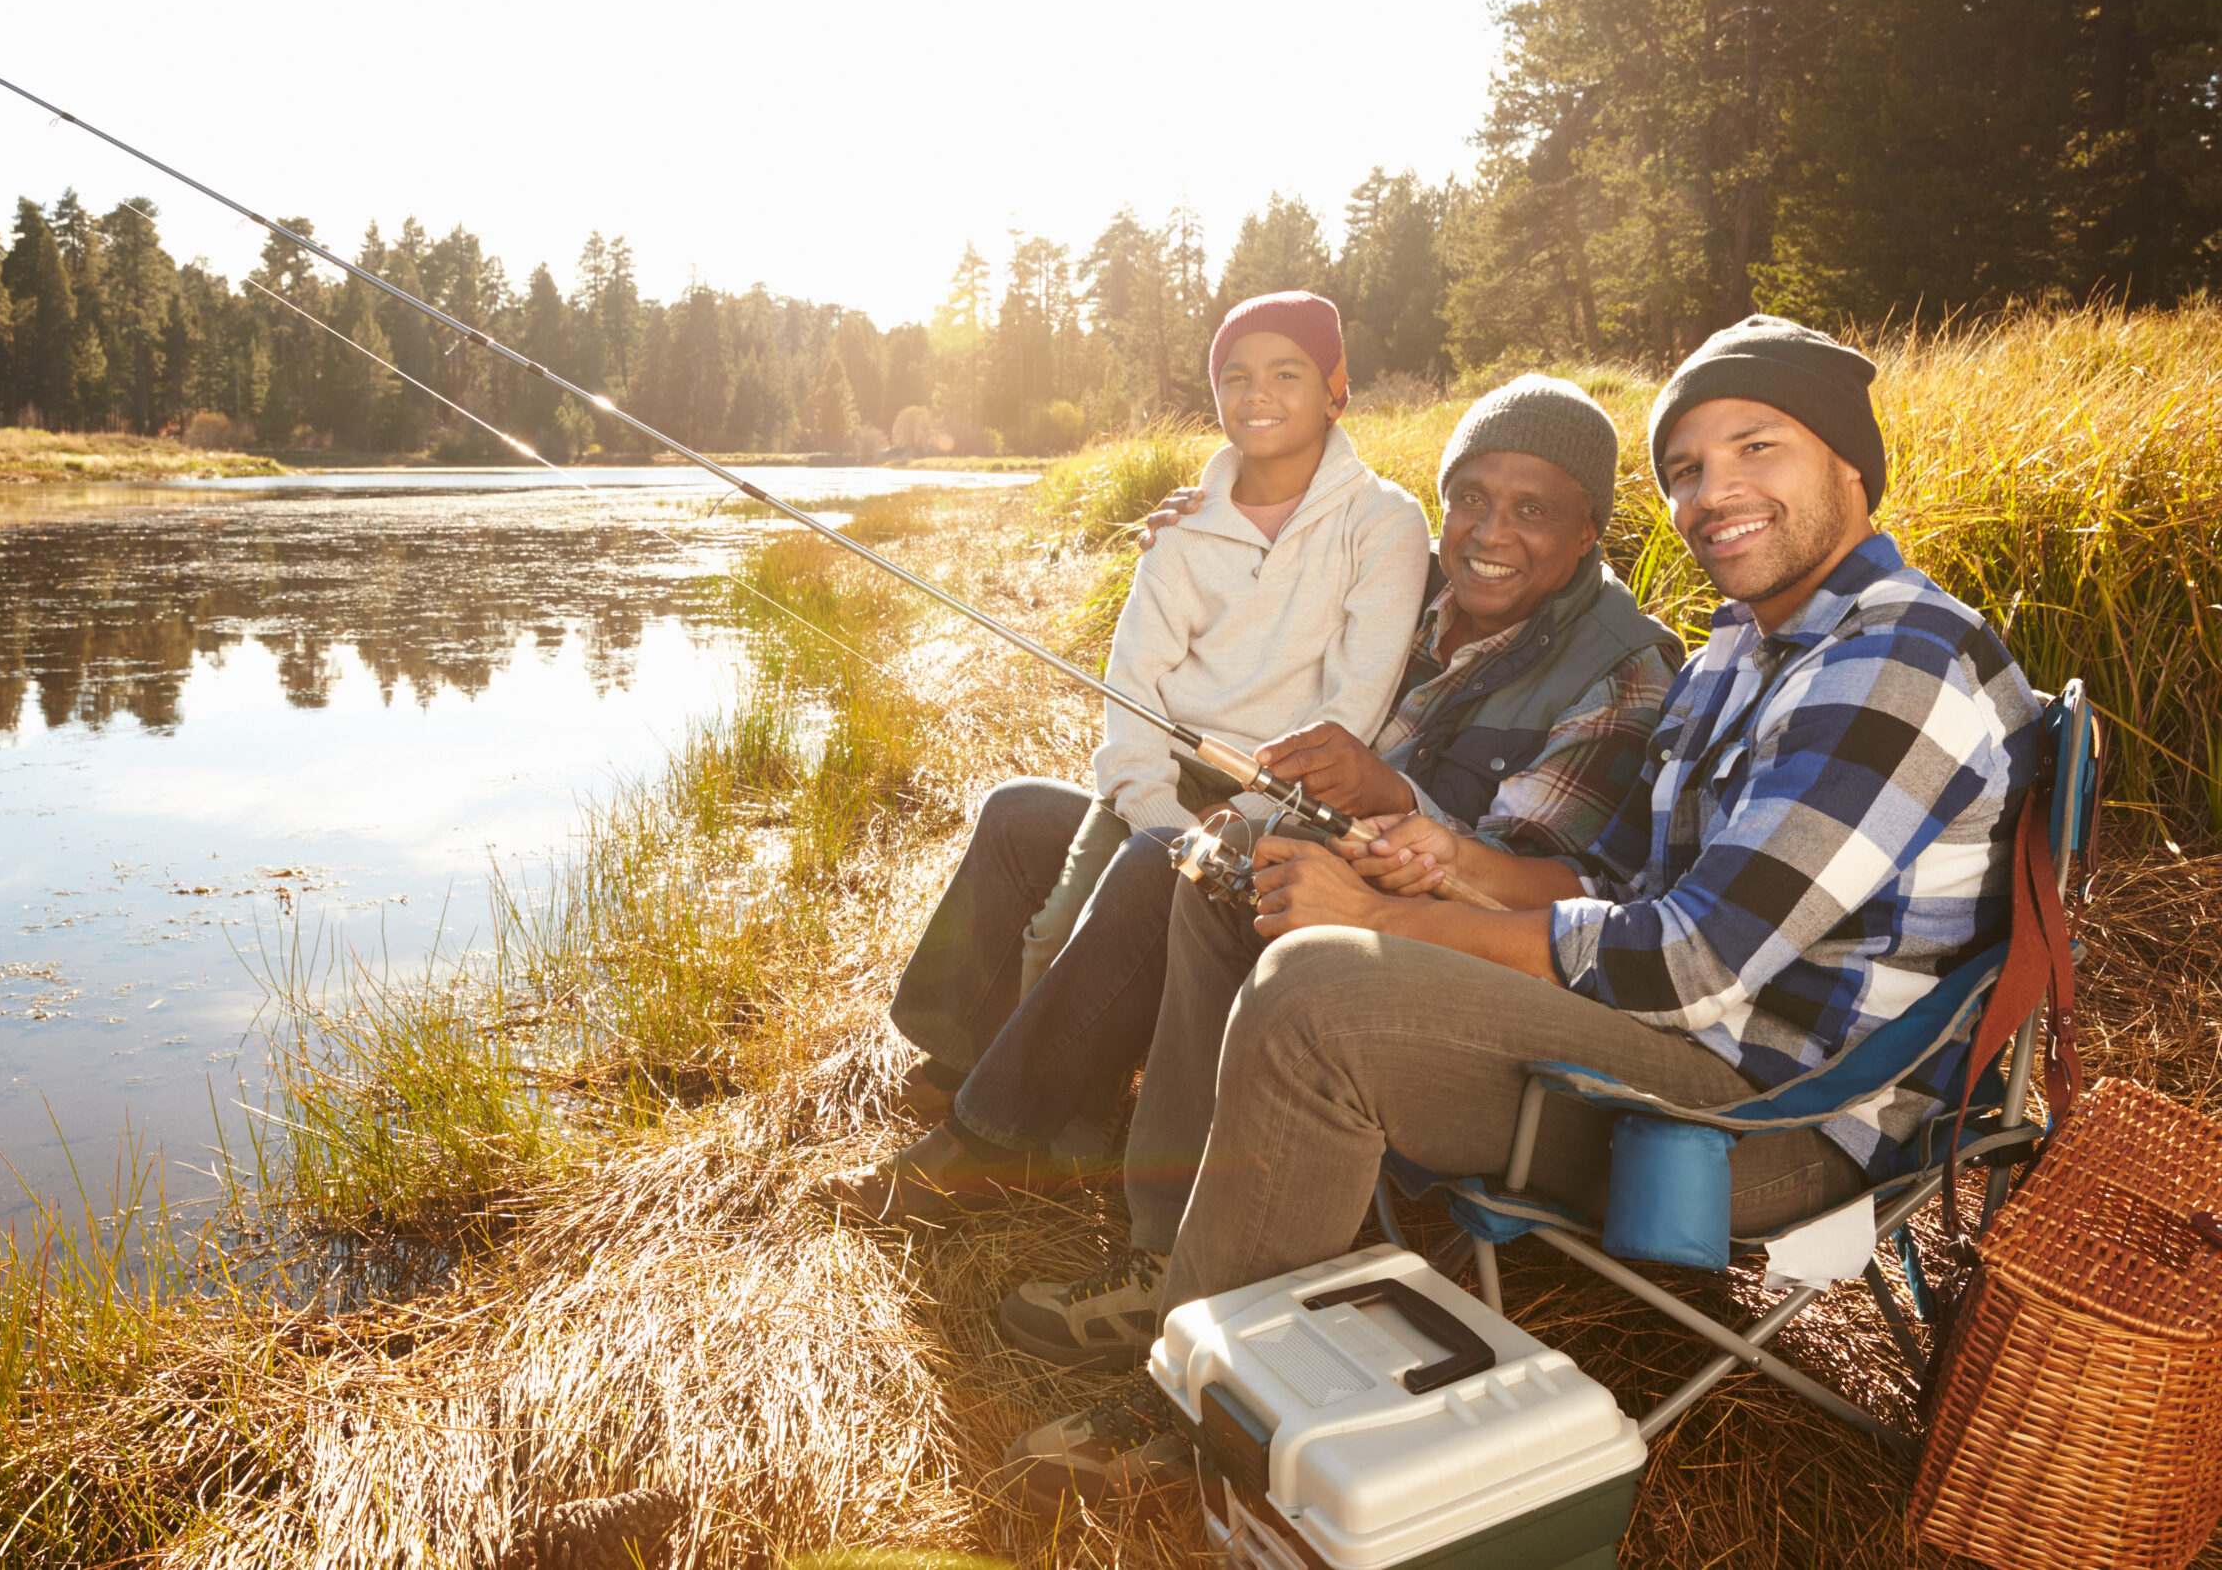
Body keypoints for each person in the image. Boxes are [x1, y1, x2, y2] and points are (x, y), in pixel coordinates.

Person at [994, 314, 2044, 1511]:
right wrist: (1445, 859)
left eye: (1758, 448)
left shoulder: (1892, 662)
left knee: (1316, 995)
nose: (1715, 494)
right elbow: (1620, 884)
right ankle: (1197, 1269)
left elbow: (1687, 962)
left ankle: (1199, 1425)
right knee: (1254, 886)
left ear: (1850, 465)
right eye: (1688, 468)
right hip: (1678, 1040)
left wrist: (1388, 922)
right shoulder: (1742, 652)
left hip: (1773, 1115)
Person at [989, 375, 1681, 1368]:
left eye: (1533, 510)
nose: (1490, 531)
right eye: (1470, 498)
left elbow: (1521, 888)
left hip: (1457, 956)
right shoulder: (1405, 575)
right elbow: (1256, 593)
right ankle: (977, 1090)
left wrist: (1388, 796)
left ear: (1587, 534)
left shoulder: (1622, 672)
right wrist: (1197, 531)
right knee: (1025, 816)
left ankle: (1155, 1246)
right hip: (1293, 836)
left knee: (1196, 863)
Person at [820, 291, 1432, 1219]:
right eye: (1236, 376)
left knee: (1105, 901)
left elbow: (1351, 716)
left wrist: (1233, 821)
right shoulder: (1183, 526)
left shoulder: (1383, 522)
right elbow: (1133, 691)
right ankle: (963, 1062)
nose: (1258, 394)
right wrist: (1159, 811)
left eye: (1288, 373)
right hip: (1166, 785)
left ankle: (983, 1148)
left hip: (1282, 808)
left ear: (1336, 390)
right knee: (1019, 813)